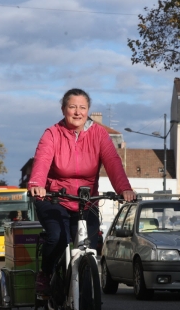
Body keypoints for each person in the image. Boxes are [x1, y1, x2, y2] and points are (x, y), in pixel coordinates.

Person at [27, 88, 136, 294]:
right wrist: (37, 185)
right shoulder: (52, 134)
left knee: (90, 246)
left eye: (82, 107)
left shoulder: (99, 134)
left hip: (86, 201)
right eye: (72, 107)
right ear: (63, 109)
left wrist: (124, 189)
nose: (77, 112)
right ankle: (46, 273)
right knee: (58, 237)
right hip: (54, 198)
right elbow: (42, 161)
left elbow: (113, 163)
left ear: (88, 111)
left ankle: (85, 300)